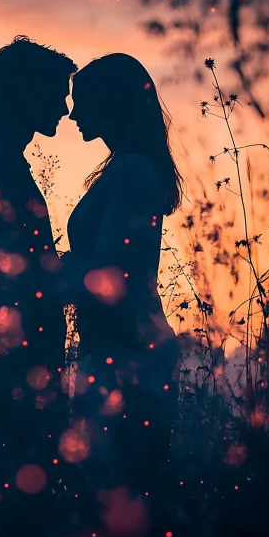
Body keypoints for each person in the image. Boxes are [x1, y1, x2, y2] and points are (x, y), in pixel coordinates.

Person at [0, 35, 77, 517]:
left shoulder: (0, 162)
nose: (66, 108)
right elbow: (15, 274)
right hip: (17, 364)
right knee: (27, 499)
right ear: (25, 95)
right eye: (56, 92)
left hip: (22, 360)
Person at [63, 53, 183, 507]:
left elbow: (106, 278)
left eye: (84, 103)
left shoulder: (132, 171)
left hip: (128, 356)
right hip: (120, 349)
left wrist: (42, 269)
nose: (73, 114)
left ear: (111, 104)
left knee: (118, 497)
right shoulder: (127, 168)